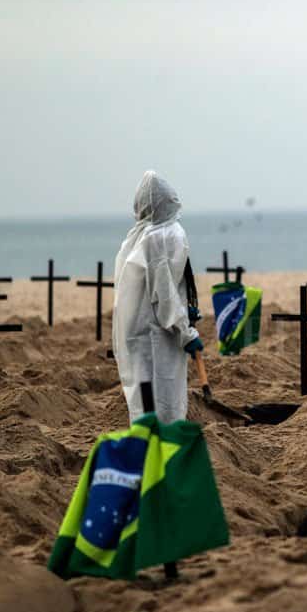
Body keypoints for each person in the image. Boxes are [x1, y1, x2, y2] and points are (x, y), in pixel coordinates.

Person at [112, 171, 202, 424]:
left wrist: (185, 309)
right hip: (158, 334)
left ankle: (146, 448)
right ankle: (162, 451)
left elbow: (155, 289)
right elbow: (163, 296)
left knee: (143, 400)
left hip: (134, 333)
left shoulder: (135, 238)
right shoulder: (168, 235)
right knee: (166, 401)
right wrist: (185, 331)